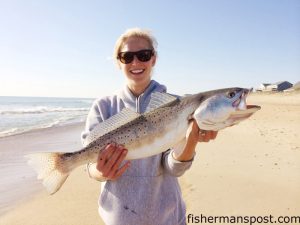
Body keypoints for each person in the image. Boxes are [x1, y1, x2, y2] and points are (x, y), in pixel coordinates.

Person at [81, 28, 218, 225]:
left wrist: (190, 142)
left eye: (143, 55)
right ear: (119, 62)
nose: (135, 62)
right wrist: (99, 172)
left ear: (153, 59)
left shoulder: (177, 106)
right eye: (127, 57)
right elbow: (89, 164)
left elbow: (174, 169)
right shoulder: (103, 107)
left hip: (169, 218)